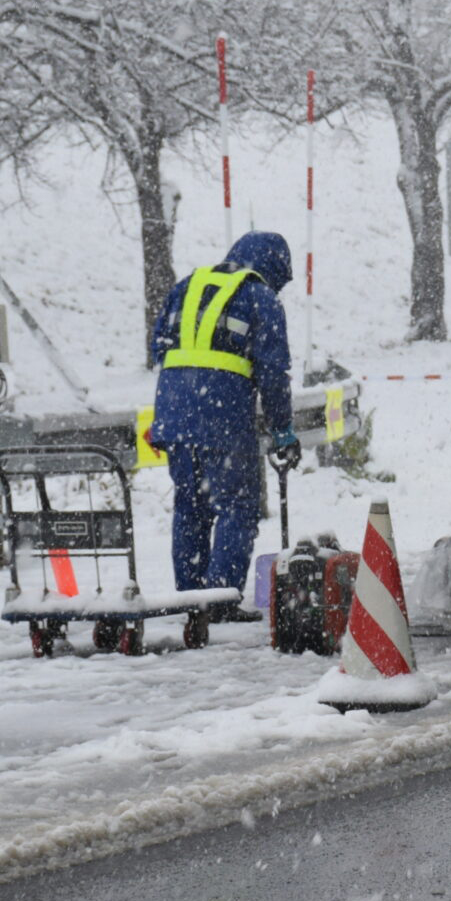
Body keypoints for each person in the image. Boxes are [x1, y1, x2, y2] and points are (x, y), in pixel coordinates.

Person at [147, 231, 301, 618]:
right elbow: (273, 371)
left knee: (190, 505)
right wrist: (282, 430)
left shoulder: (186, 286)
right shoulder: (259, 298)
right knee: (237, 507)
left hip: (174, 415)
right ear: (272, 269)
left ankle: (190, 598)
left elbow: (157, 347)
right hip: (223, 417)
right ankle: (219, 600)